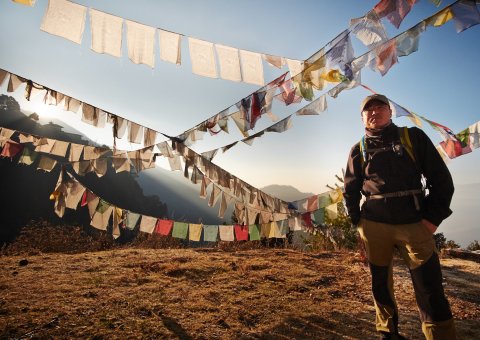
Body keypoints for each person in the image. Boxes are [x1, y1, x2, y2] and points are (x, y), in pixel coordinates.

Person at [343, 94, 456, 339]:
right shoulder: (358, 150)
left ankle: (440, 335)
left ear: (390, 112)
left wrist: (431, 220)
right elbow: (350, 191)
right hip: (374, 227)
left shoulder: (412, 137)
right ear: (362, 118)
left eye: (380, 107)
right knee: (380, 285)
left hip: (415, 225)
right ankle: (388, 333)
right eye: (368, 109)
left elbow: (442, 180)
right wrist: (358, 222)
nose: (374, 111)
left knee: (429, 287)